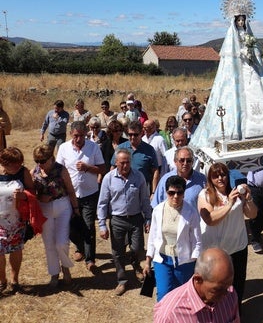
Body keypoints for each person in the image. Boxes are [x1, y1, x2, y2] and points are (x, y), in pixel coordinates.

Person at [188, 0, 263, 149]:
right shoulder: (231, 37)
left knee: (261, 90)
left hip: (252, 69)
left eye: (243, 20)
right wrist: (241, 53)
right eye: (239, 20)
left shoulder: (249, 36)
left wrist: (250, 53)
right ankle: (237, 131)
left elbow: (256, 51)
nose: (241, 23)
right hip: (237, 71)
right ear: (234, 21)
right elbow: (230, 58)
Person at [197, 163, 257, 307]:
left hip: (237, 248)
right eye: (215, 176)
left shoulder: (236, 192)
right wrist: (229, 203)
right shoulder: (205, 194)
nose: (220, 178)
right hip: (215, 252)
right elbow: (210, 219)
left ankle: (235, 314)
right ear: (210, 178)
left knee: (237, 287)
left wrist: (248, 199)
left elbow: (253, 214)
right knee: (215, 288)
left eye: (223, 175)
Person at [98, 149, 152, 296]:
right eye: (122, 163)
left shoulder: (139, 177)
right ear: (116, 162)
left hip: (135, 219)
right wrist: (102, 224)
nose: (125, 165)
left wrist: (148, 218)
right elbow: (102, 203)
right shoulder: (108, 178)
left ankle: (135, 264)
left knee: (137, 248)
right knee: (117, 252)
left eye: (128, 162)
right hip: (117, 220)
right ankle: (122, 280)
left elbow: (145, 200)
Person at [56, 121, 105, 272]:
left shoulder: (93, 147)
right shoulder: (64, 148)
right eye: (76, 136)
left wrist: (88, 167)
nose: (78, 139)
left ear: (86, 134)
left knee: (88, 225)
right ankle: (80, 247)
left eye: (81, 136)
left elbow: (102, 168)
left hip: (89, 193)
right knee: (70, 226)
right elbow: (58, 170)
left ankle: (90, 259)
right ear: (71, 134)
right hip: (69, 195)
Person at [145, 175, 202, 302]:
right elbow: (153, 237)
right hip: (162, 260)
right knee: (163, 295)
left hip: (184, 261)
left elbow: (197, 241)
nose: (175, 196)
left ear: (184, 193)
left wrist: (195, 263)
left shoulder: (191, 212)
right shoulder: (158, 210)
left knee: (181, 297)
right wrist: (148, 261)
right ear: (166, 193)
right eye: (171, 193)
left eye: (179, 192)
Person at [31, 144, 79, 287]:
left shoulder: (61, 170)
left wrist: (76, 209)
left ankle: (65, 267)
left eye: (43, 161)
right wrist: (40, 198)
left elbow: (70, 190)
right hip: (44, 210)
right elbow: (32, 194)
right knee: (49, 243)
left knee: (61, 242)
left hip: (62, 206)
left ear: (51, 158)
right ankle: (54, 273)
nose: (40, 164)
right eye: (37, 161)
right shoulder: (35, 172)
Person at [153, 247, 240, 323]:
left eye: (227, 286)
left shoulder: (230, 294)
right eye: (218, 289)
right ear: (198, 279)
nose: (225, 295)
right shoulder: (170, 315)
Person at [0, 147, 39, 294]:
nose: (18, 166)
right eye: (15, 164)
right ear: (4, 163)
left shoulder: (23, 172)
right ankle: (2, 281)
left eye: (20, 163)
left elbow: (33, 191)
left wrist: (25, 195)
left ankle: (14, 280)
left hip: (17, 221)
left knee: (16, 250)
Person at [113, 120, 159, 195]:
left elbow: (155, 171)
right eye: (130, 134)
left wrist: (153, 192)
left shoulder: (149, 149)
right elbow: (113, 167)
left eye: (135, 134)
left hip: (142, 189)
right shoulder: (120, 148)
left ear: (141, 133)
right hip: (122, 188)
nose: (132, 137)